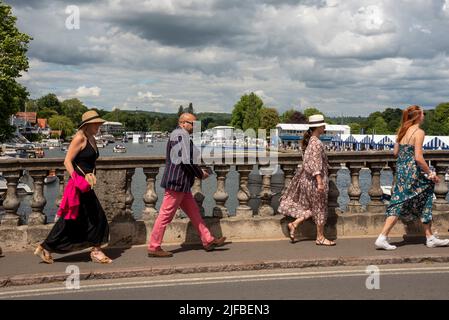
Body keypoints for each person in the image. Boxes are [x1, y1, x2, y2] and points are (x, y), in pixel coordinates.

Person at [34, 110, 111, 264]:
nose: (99, 126)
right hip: (78, 185)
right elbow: (67, 161)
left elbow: (89, 162)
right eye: (96, 124)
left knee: (73, 220)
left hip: (87, 185)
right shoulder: (79, 138)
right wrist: (77, 178)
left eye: (99, 123)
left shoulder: (92, 138)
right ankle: (96, 251)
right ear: (88, 125)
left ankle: (45, 247)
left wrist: (90, 175)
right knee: (96, 217)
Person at [148, 113, 227, 257]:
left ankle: (208, 240)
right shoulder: (179, 135)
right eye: (193, 123)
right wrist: (200, 174)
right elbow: (186, 160)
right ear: (183, 123)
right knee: (165, 216)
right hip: (177, 182)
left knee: (194, 213)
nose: (194, 127)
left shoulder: (180, 135)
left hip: (181, 183)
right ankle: (154, 247)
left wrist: (199, 171)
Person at [375, 105, 449, 250]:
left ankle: (429, 237)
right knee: (399, 203)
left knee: (421, 197)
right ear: (418, 116)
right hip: (411, 173)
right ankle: (382, 237)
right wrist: (430, 173)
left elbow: (395, 152)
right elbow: (419, 158)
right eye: (423, 114)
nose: (424, 116)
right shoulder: (419, 132)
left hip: (401, 172)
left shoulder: (402, 131)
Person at [278, 114, 335, 246]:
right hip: (315, 181)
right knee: (320, 209)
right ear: (319, 127)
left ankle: (294, 224)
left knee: (312, 207)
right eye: (323, 124)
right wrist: (320, 181)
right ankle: (320, 237)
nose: (325, 126)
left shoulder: (311, 142)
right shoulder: (316, 143)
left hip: (306, 181)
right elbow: (315, 164)